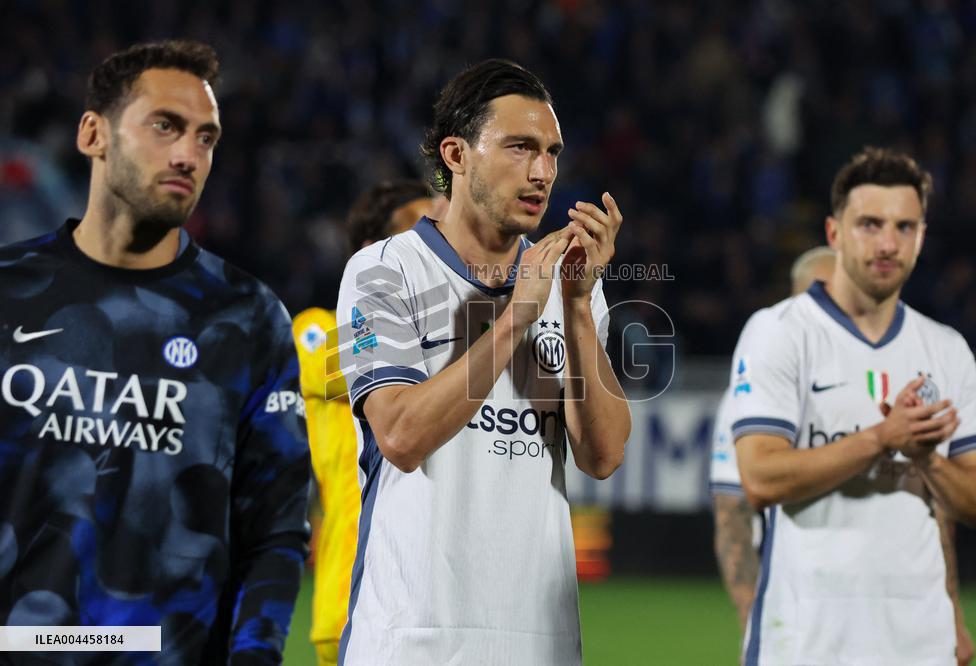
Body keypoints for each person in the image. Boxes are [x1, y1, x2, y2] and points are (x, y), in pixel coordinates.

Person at [0, 41, 310, 663]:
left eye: (205, 138)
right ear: (93, 134)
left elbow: (274, 533)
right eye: (165, 126)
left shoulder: (247, 318)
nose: (188, 155)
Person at [334, 59, 631, 665]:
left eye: (552, 153)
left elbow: (603, 457)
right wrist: (517, 314)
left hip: (541, 646)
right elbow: (401, 436)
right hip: (412, 643)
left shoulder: (570, 281)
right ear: (456, 155)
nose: (542, 172)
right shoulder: (384, 271)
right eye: (520, 148)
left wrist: (576, 307)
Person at [731, 147, 976, 665]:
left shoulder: (946, 349)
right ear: (834, 233)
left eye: (904, 227)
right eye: (870, 225)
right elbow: (760, 477)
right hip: (808, 642)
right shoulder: (780, 332)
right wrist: (881, 439)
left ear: (921, 236)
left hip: (921, 645)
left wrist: (926, 458)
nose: (888, 243)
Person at [292, 179, 442, 665]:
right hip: (353, 597)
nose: (431, 241)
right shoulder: (314, 328)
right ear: (371, 250)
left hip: (429, 597)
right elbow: (364, 359)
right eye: (416, 229)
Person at [711, 246, 835, 629]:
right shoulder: (751, 394)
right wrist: (752, 619)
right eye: (821, 293)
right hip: (794, 608)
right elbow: (732, 516)